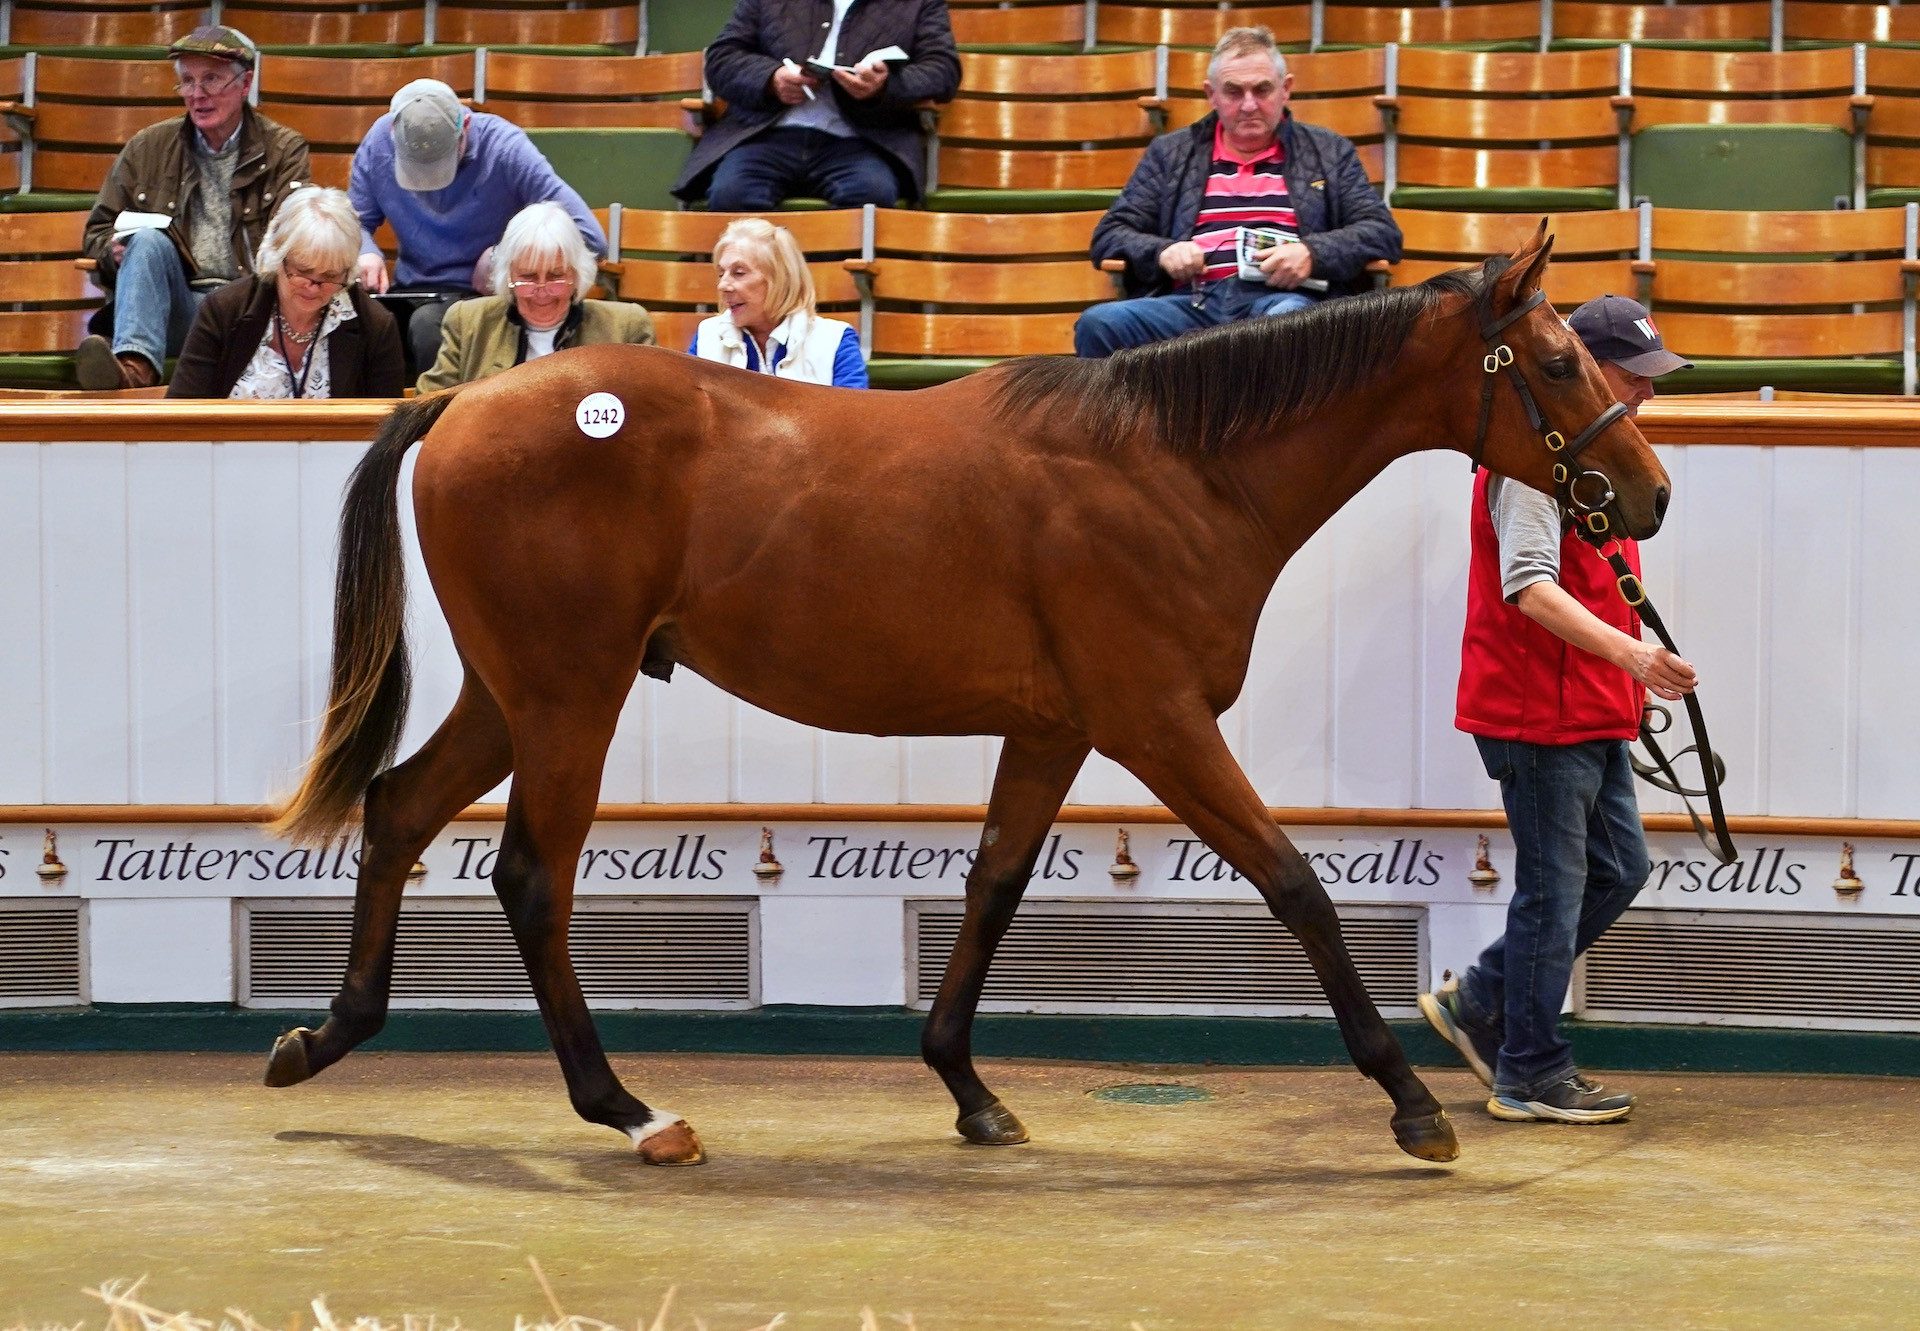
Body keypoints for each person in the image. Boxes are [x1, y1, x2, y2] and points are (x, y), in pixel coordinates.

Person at [1422, 295, 1697, 1125]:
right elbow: (1529, 587)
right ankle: (1530, 1069)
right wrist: (1635, 657)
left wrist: (1625, 671)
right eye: (1633, 376)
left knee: (1618, 870)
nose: (1644, 394)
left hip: (1582, 705)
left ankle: (1483, 1002)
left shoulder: (1581, 458)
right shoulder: (1527, 465)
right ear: (1588, 369)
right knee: (1554, 890)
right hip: (1538, 709)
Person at [1074, 26, 1400, 358]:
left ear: (1285, 90)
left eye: (1262, 90)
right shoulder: (1171, 153)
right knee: (1099, 324)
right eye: (1233, 92)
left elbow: (1382, 233)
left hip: (1281, 301)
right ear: (1211, 94)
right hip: (1192, 302)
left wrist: (1312, 253)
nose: (1248, 105)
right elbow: (1110, 235)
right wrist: (1163, 252)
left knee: (1288, 324)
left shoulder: (1329, 151)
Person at [75, 26, 310, 391]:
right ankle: (133, 368)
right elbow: (97, 231)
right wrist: (114, 251)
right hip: (172, 307)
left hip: (245, 311)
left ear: (245, 83)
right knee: (148, 241)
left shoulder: (284, 149)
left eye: (211, 80)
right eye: (187, 82)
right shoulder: (147, 147)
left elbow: (297, 239)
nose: (197, 95)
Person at [349, 78, 606, 376]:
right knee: (358, 326)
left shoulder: (506, 148)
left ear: (465, 127)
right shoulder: (378, 140)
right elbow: (353, 224)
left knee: (429, 328)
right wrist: (365, 249)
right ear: (393, 132)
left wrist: (504, 258)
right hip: (407, 292)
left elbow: (589, 237)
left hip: (480, 297)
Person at [672, 0, 960, 211]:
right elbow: (722, 59)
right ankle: (764, 294)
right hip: (766, 134)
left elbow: (943, 70)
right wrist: (771, 79)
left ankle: (831, 293)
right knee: (732, 195)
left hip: (862, 140)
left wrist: (884, 87)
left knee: (870, 198)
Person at [166, 186, 404, 400]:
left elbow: (387, 434)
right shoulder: (223, 311)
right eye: (303, 271)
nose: (313, 286)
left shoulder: (376, 327)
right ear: (277, 257)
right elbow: (180, 417)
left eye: (330, 276)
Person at [416, 202, 656, 392]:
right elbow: (429, 405)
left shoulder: (626, 328)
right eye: (528, 276)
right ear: (508, 275)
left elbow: (655, 410)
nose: (542, 290)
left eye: (555, 275)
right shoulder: (466, 321)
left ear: (577, 275)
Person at [689, 218, 866, 386]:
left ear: (780, 279)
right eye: (721, 273)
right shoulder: (707, 336)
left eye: (739, 273)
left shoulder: (834, 340)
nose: (723, 285)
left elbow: (855, 417)